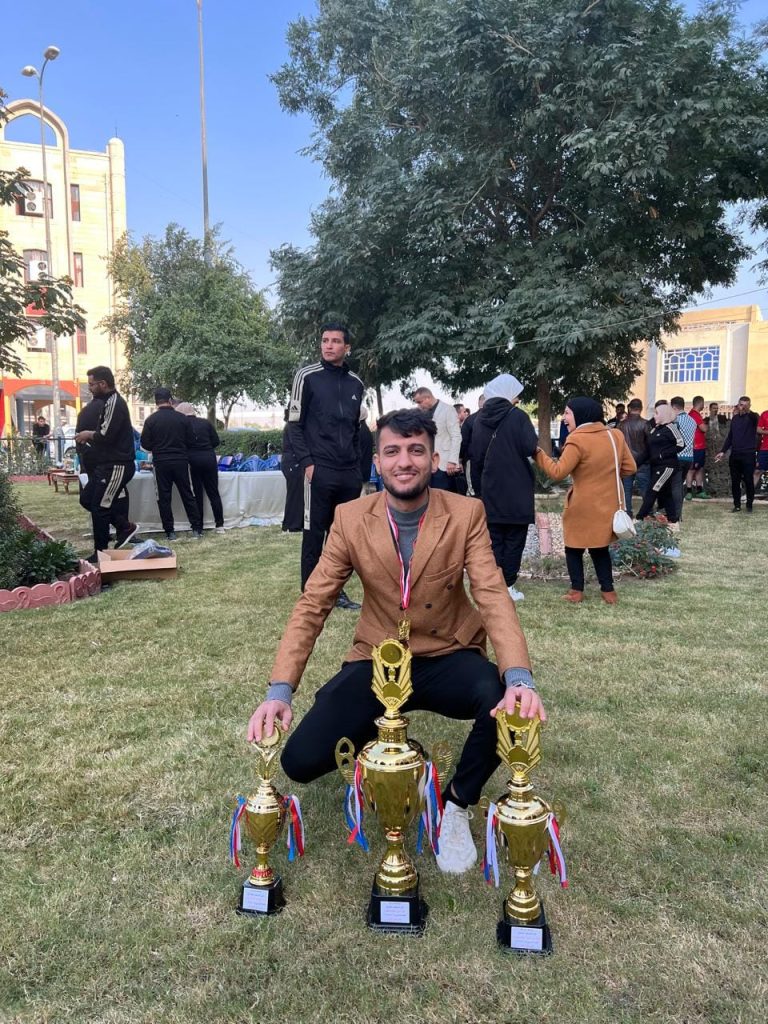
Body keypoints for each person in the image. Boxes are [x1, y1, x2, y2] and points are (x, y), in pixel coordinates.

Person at [247, 409, 545, 874]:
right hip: (378, 658)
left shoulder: (466, 513)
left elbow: (491, 593)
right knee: (299, 762)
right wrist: (279, 691)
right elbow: (313, 604)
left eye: (416, 451)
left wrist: (520, 678)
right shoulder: (349, 518)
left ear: (433, 459)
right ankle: (388, 753)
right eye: (392, 451)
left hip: (448, 652)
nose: (404, 461)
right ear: (378, 462)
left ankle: (456, 803)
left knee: (500, 700)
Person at [287, 323, 365, 609]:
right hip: (319, 469)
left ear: (347, 347)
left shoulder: (356, 383)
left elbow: (356, 429)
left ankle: (336, 591)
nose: (328, 345)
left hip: (348, 473)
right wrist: (308, 463)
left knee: (341, 536)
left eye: (335, 341)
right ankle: (312, 592)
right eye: (325, 340)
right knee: (314, 534)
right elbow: (294, 425)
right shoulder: (306, 376)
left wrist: (357, 468)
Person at [534, 397, 636, 604]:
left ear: (580, 415)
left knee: (574, 547)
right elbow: (630, 468)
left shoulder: (577, 439)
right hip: (608, 504)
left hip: (582, 504)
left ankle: (576, 592)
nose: (564, 418)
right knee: (600, 548)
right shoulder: (615, 435)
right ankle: (609, 592)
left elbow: (557, 472)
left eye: (567, 413)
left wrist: (537, 453)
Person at [469, 374, 537, 602]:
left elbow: (476, 456)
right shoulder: (518, 417)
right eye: (516, 395)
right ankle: (508, 585)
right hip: (517, 488)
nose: (518, 399)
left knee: (494, 540)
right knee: (515, 539)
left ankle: (494, 584)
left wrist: (479, 490)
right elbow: (530, 446)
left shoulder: (479, 419)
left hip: (490, 488)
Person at [74, 366, 138, 561]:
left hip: (117, 465)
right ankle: (124, 526)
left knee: (101, 507)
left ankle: (101, 552)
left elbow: (106, 435)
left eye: (91, 384)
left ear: (103, 384)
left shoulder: (114, 402)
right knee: (87, 499)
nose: (89, 388)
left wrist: (87, 435)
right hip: (106, 464)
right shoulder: (107, 403)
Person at [140, 388, 203, 540]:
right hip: (180, 461)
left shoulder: (150, 420)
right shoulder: (182, 418)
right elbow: (191, 441)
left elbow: (145, 444)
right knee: (188, 494)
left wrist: (157, 448)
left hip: (161, 462)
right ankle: (196, 528)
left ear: (156, 402)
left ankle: (170, 532)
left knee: (164, 497)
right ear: (170, 400)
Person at [175, 403, 224, 534]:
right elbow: (216, 441)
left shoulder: (182, 425)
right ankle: (220, 525)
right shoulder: (206, 423)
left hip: (192, 460)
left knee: (197, 494)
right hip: (209, 458)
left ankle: (199, 527)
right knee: (213, 493)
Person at [635, 403, 685, 527]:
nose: (654, 416)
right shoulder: (655, 429)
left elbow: (681, 444)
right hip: (656, 466)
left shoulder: (671, 427)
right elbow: (648, 451)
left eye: (657, 413)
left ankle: (639, 518)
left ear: (664, 414)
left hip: (667, 466)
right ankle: (673, 519)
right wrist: (634, 463)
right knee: (665, 493)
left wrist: (663, 454)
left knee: (652, 490)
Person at [412, 387, 462, 492]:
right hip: (426, 463)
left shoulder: (448, 409)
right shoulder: (421, 414)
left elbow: (456, 436)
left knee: (445, 495)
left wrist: (452, 460)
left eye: (420, 402)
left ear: (428, 398)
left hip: (444, 464)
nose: (418, 405)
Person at [715, 396, 759, 514]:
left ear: (749, 406)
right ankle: (737, 505)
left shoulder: (753, 417)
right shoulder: (735, 419)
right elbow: (730, 437)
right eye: (740, 404)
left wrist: (747, 410)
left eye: (745, 405)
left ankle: (749, 504)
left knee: (748, 480)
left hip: (748, 455)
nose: (742, 407)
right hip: (735, 455)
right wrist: (722, 451)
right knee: (735, 481)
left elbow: (753, 417)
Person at [617, 399, 651, 516]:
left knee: (627, 489)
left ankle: (627, 512)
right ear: (641, 409)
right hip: (643, 461)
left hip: (626, 461)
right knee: (645, 488)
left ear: (629, 408)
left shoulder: (621, 425)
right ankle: (647, 512)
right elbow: (650, 444)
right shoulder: (646, 424)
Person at [670, 397, 696, 519]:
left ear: (674, 407)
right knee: (679, 484)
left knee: (675, 486)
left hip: (677, 456)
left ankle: (676, 514)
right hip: (689, 457)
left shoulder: (675, 421)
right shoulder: (692, 421)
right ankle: (678, 513)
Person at [280, 407, 304, 533]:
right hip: (292, 463)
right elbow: (296, 445)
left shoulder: (291, 425)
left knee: (297, 493)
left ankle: (296, 522)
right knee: (294, 494)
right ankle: (291, 524)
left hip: (292, 462)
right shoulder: (292, 426)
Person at [685, 396, 710, 500]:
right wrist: (708, 425)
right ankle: (689, 491)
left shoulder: (695, 414)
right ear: (701, 403)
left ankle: (699, 490)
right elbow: (704, 429)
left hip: (700, 446)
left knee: (699, 468)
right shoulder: (694, 414)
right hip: (696, 446)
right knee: (691, 469)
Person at [756, 406, 768, 496]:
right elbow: (758, 429)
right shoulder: (765, 414)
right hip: (765, 448)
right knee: (757, 471)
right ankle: (749, 494)